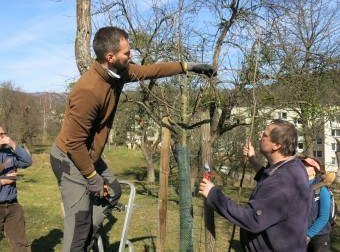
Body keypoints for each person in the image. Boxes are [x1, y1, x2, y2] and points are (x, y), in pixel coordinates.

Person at [50, 26, 216, 252]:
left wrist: (187, 67)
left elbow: (152, 71)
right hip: (69, 159)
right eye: (127, 53)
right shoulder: (88, 90)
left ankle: (85, 236)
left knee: (113, 192)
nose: (131, 56)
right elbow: (74, 144)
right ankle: (80, 237)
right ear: (110, 57)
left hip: (90, 154)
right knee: (79, 221)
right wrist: (91, 177)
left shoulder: (118, 74)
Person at [199, 119, 310, 251]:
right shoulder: (293, 166)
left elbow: (252, 218)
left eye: (265, 135)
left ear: (276, 145)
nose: (260, 136)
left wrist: (213, 195)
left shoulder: (282, 184)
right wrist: (252, 159)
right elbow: (269, 177)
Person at [0, 127, 32, 252]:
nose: (3, 137)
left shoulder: (9, 153)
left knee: (21, 245)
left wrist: (12, 144)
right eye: (0, 134)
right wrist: (3, 181)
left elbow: (28, 161)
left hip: (13, 205)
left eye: (4, 134)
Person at [302, 157, 332, 252]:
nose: (303, 166)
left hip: (319, 237)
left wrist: (308, 234)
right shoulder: (297, 187)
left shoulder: (322, 189)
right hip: (299, 235)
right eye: (302, 164)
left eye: (307, 165)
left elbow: (324, 217)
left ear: (315, 171)